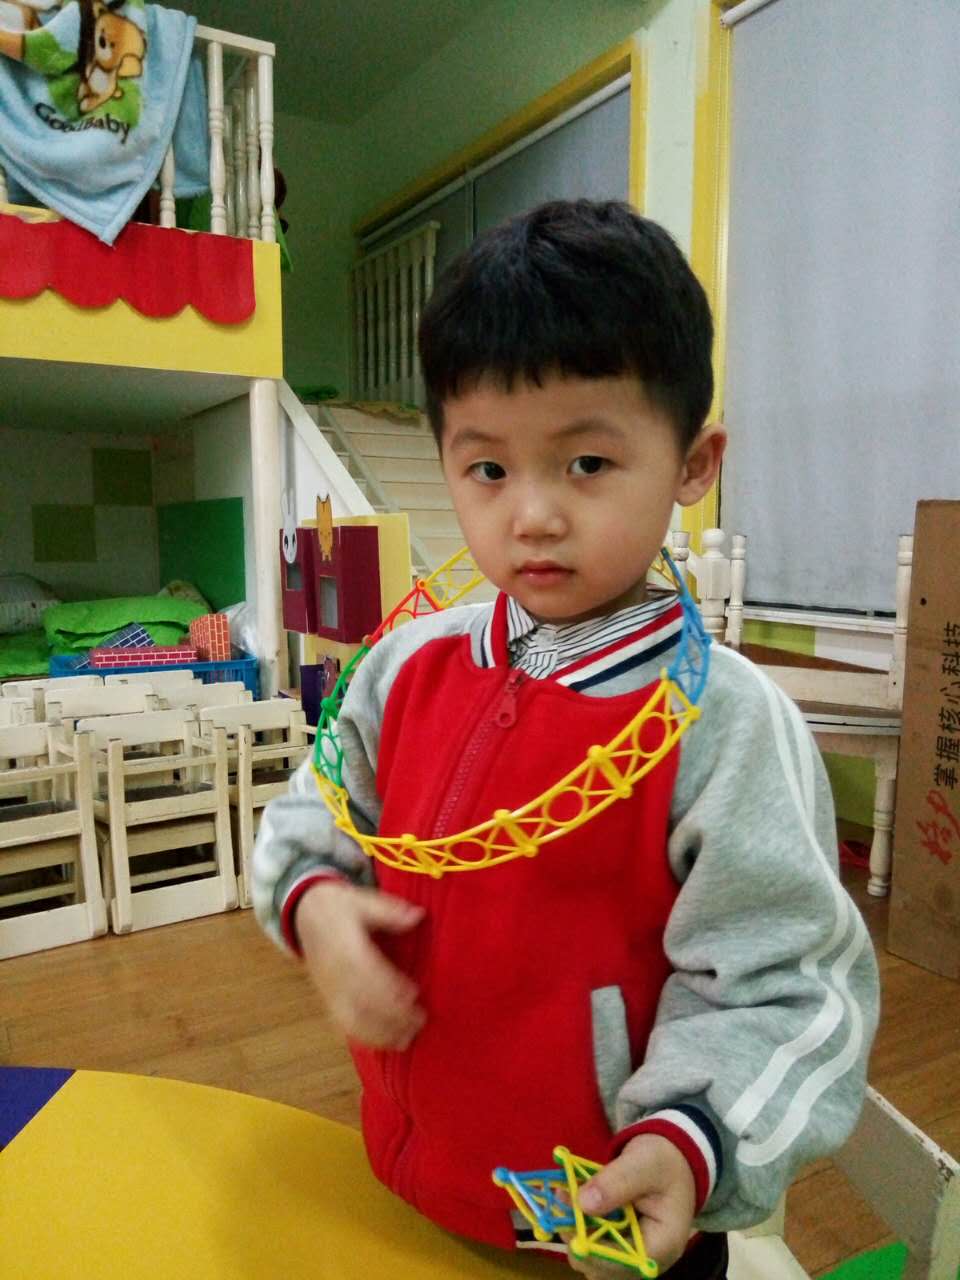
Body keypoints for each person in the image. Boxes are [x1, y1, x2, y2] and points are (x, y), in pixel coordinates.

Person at [252, 199, 879, 1280]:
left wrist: (689, 1139)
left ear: (693, 463)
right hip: (411, 1186)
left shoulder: (727, 726)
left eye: (586, 462)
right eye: (488, 469)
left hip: (617, 1221)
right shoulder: (404, 669)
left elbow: (787, 990)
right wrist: (314, 900)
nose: (532, 514)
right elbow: (309, 816)